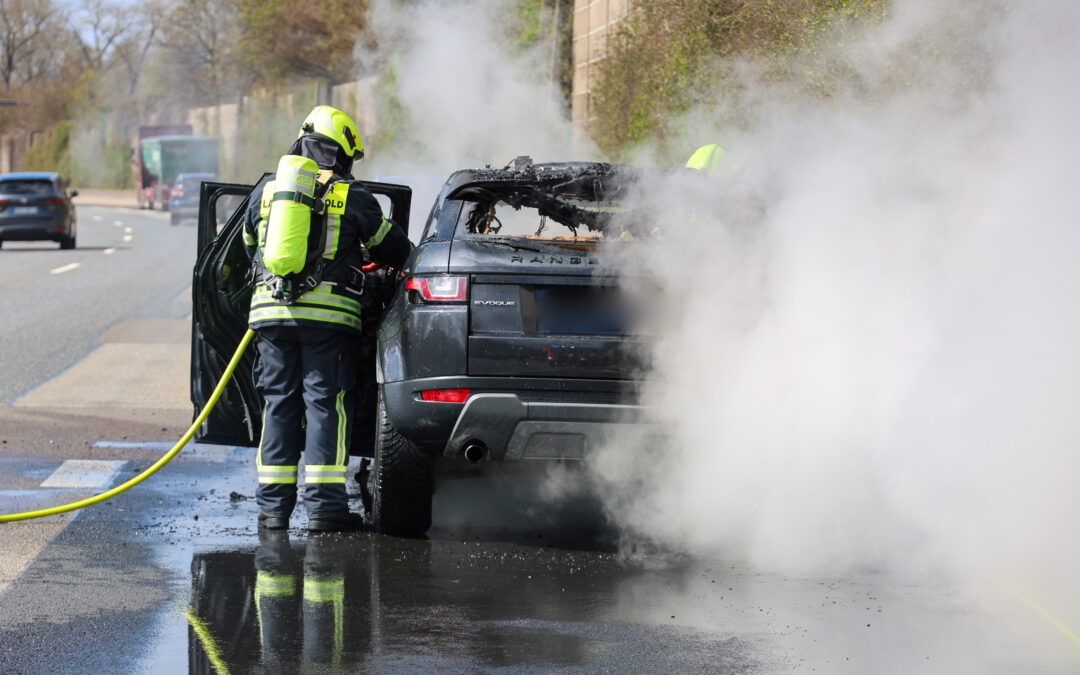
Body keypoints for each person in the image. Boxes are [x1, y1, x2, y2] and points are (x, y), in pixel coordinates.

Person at [243, 105, 413, 532]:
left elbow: (248, 244)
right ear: (341, 154)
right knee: (325, 407)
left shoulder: (266, 190)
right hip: (329, 321)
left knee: (278, 406)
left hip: (270, 314)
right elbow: (392, 248)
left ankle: (272, 511)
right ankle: (325, 510)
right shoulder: (352, 196)